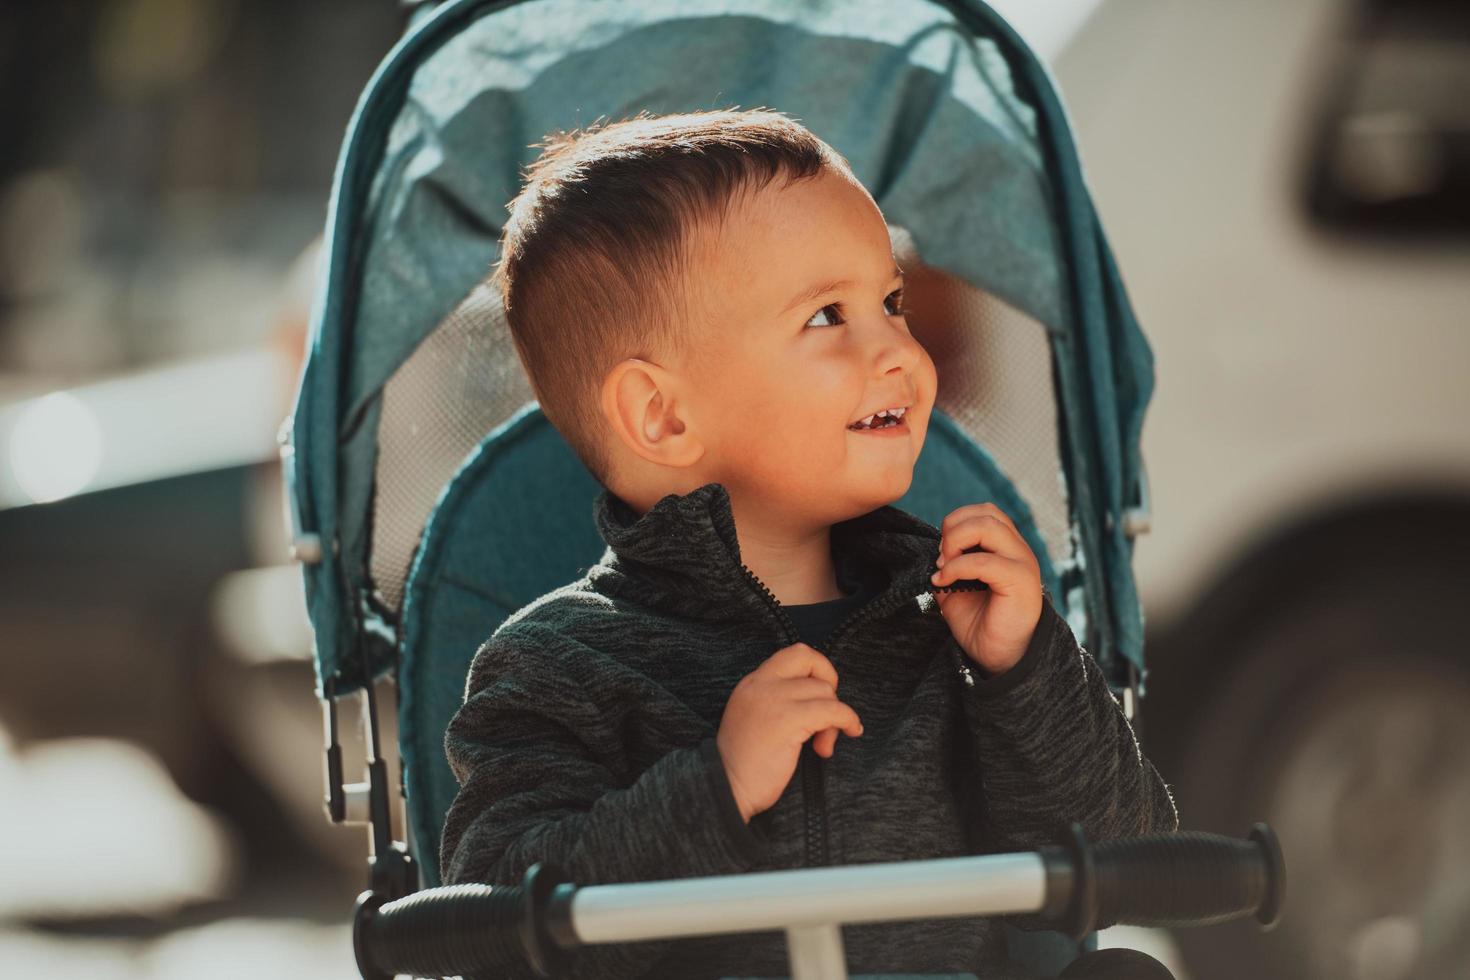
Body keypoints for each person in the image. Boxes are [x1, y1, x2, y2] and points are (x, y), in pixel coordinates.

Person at [440, 108, 1179, 980]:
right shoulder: (556, 669)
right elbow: (493, 934)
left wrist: (1024, 670)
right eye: (828, 316)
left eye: (892, 302)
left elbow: (1126, 858)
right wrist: (715, 786)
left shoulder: (945, 627)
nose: (899, 349)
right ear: (662, 415)